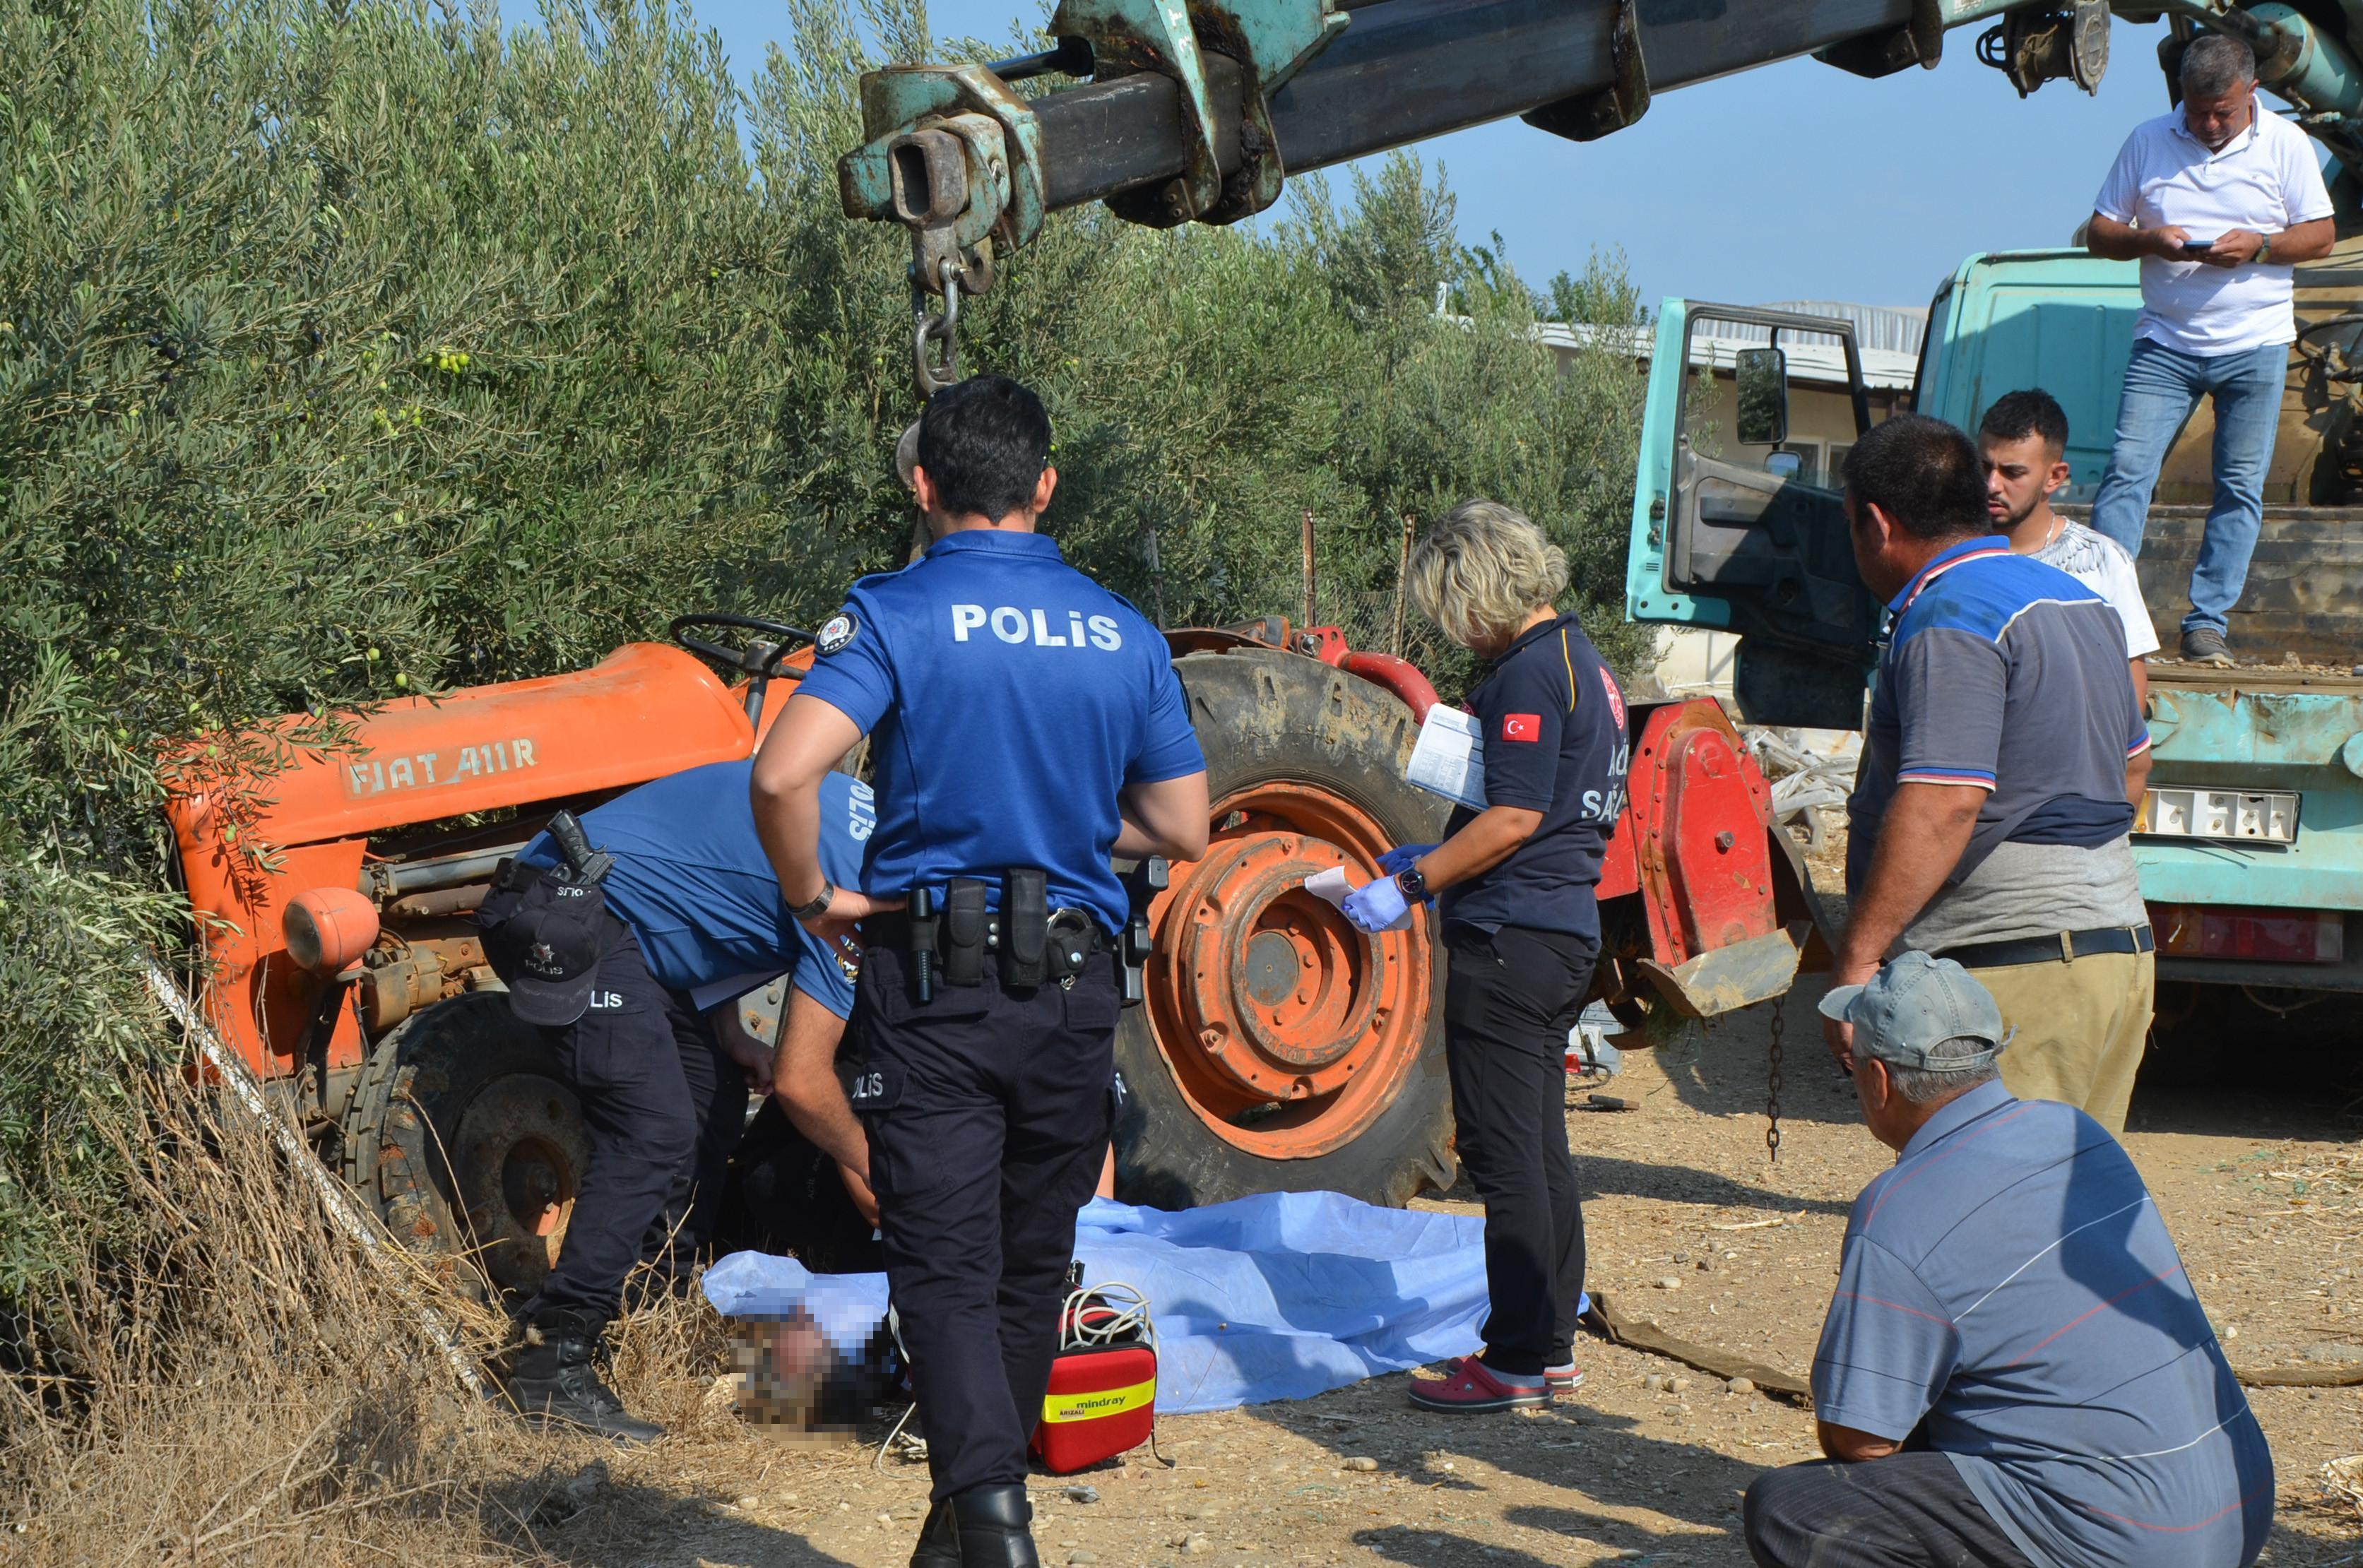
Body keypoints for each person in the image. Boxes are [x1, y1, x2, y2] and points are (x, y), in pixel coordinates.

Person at [750, 374, 1209, 1568]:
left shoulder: (895, 611)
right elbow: (1183, 826)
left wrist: (812, 899)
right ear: (1046, 485)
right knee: (1025, 1268)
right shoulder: (1121, 630)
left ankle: (995, 1536)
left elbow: (783, 773)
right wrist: (1066, 828)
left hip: (936, 986)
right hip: (1072, 992)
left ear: (922, 483)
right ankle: (962, 1534)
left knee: (945, 1269)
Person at [1748, 951, 2273, 1568]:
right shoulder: (2077, 1134)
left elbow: (1861, 1441)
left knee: (1791, 1509)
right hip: (2233, 1520)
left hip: (2128, 1545)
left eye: (1851, 1067)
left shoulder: (1897, 1210)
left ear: (1878, 1080)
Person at [477, 759, 875, 1443]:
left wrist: (729, 1029)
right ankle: (551, 1356)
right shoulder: (859, 890)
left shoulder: (874, 825)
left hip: (631, 923)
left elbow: (701, 891)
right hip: (564, 906)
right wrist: (878, 1171)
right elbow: (804, 1083)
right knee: (653, 1126)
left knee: (711, 1097)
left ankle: (651, 1316)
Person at [1339, 500, 1630, 1414]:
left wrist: (1412, 883)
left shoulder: (1529, 675)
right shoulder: (1585, 664)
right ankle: (1550, 1347)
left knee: (1504, 1159)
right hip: (1561, 929)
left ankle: (1513, 1360)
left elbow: (1513, 817)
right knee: (1542, 1151)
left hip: (1509, 939)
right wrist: (1434, 859)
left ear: (1480, 588)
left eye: (1451, 608)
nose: (1454, 630)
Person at [1828, 413, 2155, 1134]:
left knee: (1990, 1184)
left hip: (2012, 968)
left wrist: (1856, 962)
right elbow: (2135, 766)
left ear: (1877, 525)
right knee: (2067, 1188)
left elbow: (1945, 801)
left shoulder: (1950, 614)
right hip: (2116, 949)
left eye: (1850, 526)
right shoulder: (2081, 603)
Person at [2085, 30, 2335, 667]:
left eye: (2221, 111)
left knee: (2238, 490)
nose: (2208, 124)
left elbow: (2321, 235)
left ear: (2252, 91)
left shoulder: (2287, 143)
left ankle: (2205, 626)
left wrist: (2259, 247)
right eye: (2196, 111)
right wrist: (2148, 241)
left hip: (2256, 344)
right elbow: (2099, 232)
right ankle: (2106, 616)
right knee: (2127, 474)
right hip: (2163, 342)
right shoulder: (2147, 139)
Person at [1979, 388, 2159, 708]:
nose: (1992, 485)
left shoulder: (2102, 561)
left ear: (2055, 477)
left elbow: (2131, 677)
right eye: (1984, 468)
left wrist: (2125, 739)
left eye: (2012, 472)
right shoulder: (1952, 553)